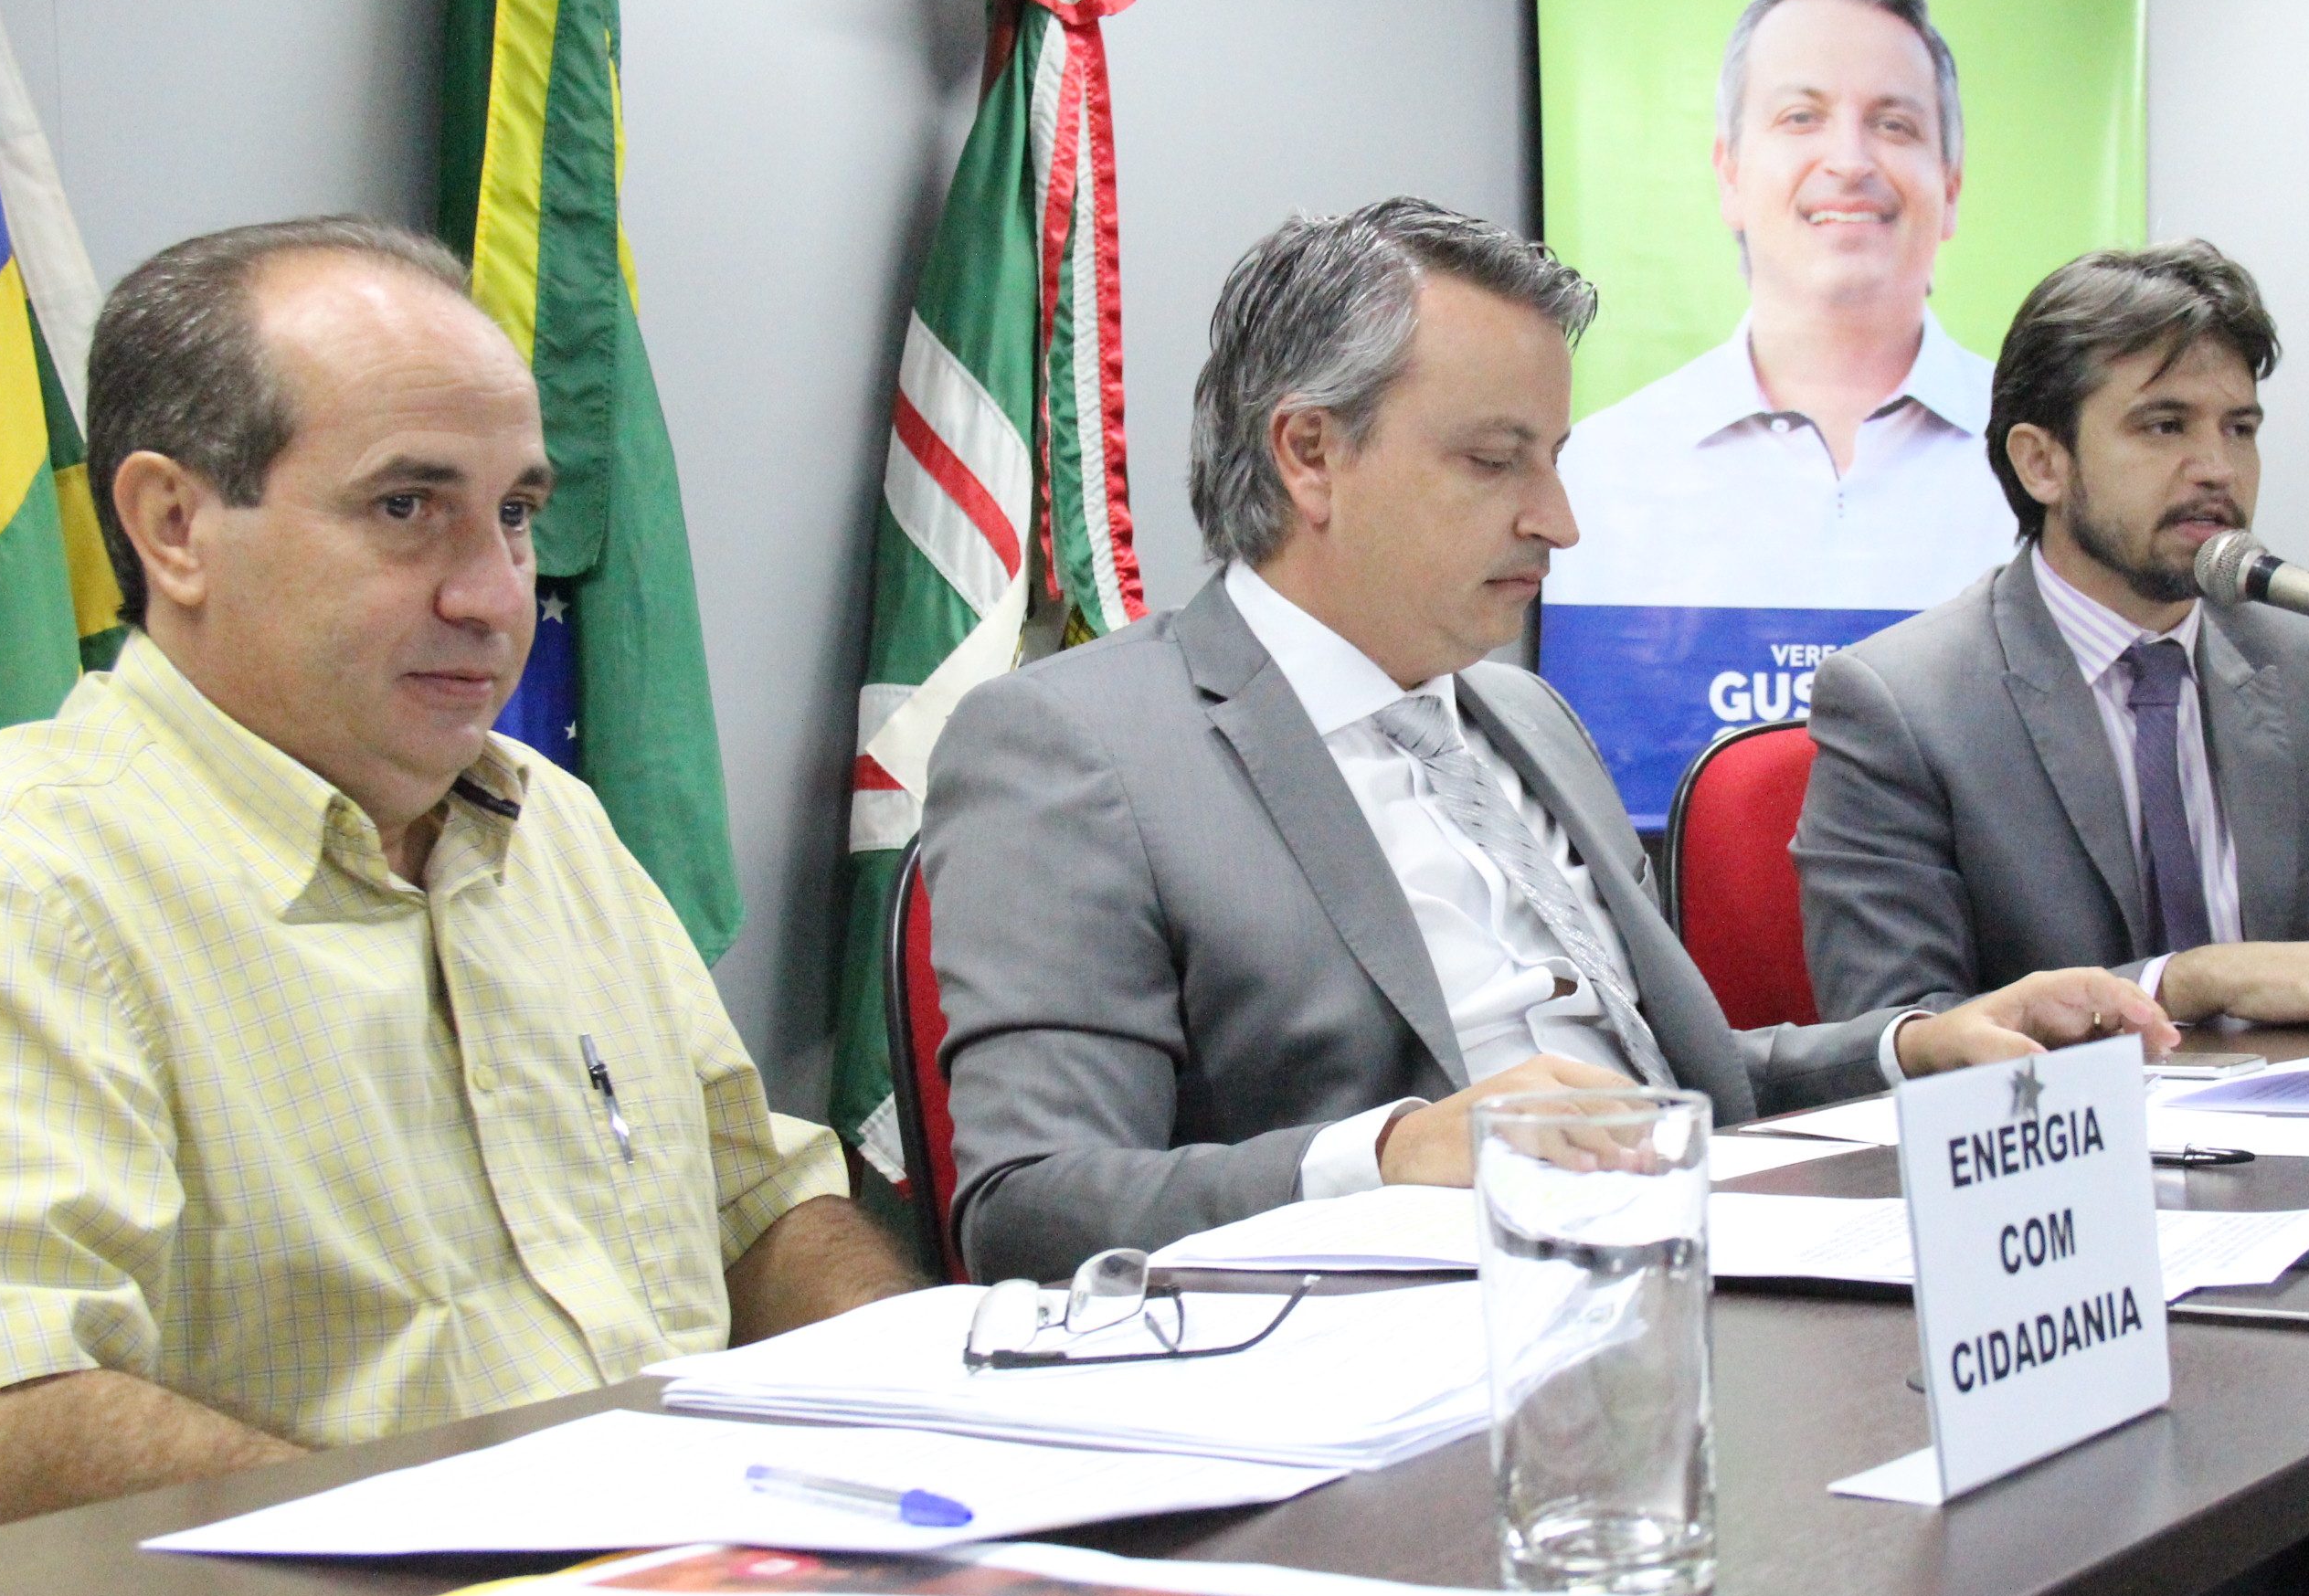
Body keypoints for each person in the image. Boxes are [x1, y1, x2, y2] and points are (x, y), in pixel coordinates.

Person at [924, 198, 2174, 1284]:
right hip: (1403, 1360)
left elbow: (1651, 1086)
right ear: (1310, 455)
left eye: (1557, 460)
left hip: (1691, 1273)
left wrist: (1918, 1046)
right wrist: (1392, 1153)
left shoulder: (1525, 716)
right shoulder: (1076, 746)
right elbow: (1030, 1208)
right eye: (1495, 461)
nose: (1559, 520)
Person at [0, 218, 918, 1545]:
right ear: (173, 526)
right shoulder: (5, 885)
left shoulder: (550, 824)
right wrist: (472, 1556)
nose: (495, 596)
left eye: (516, 514)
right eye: (406, 509)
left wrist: (923, 1400)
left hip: (694, 1583)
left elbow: (759, 1210)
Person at [1797, 241, 2309, 1028]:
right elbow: (1895, 1034)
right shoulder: (1904, 704)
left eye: (2240, 428)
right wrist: (2184, 982)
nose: (2218, 468)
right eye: (2164, 426)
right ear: (2041, 463)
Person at [1541, 0, 2017, 825]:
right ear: (1729, 173)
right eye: (1802, 117)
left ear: (1950, 187)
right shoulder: (1595, 472)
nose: (1850, 160)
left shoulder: (2045, 470)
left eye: (1895, 124)